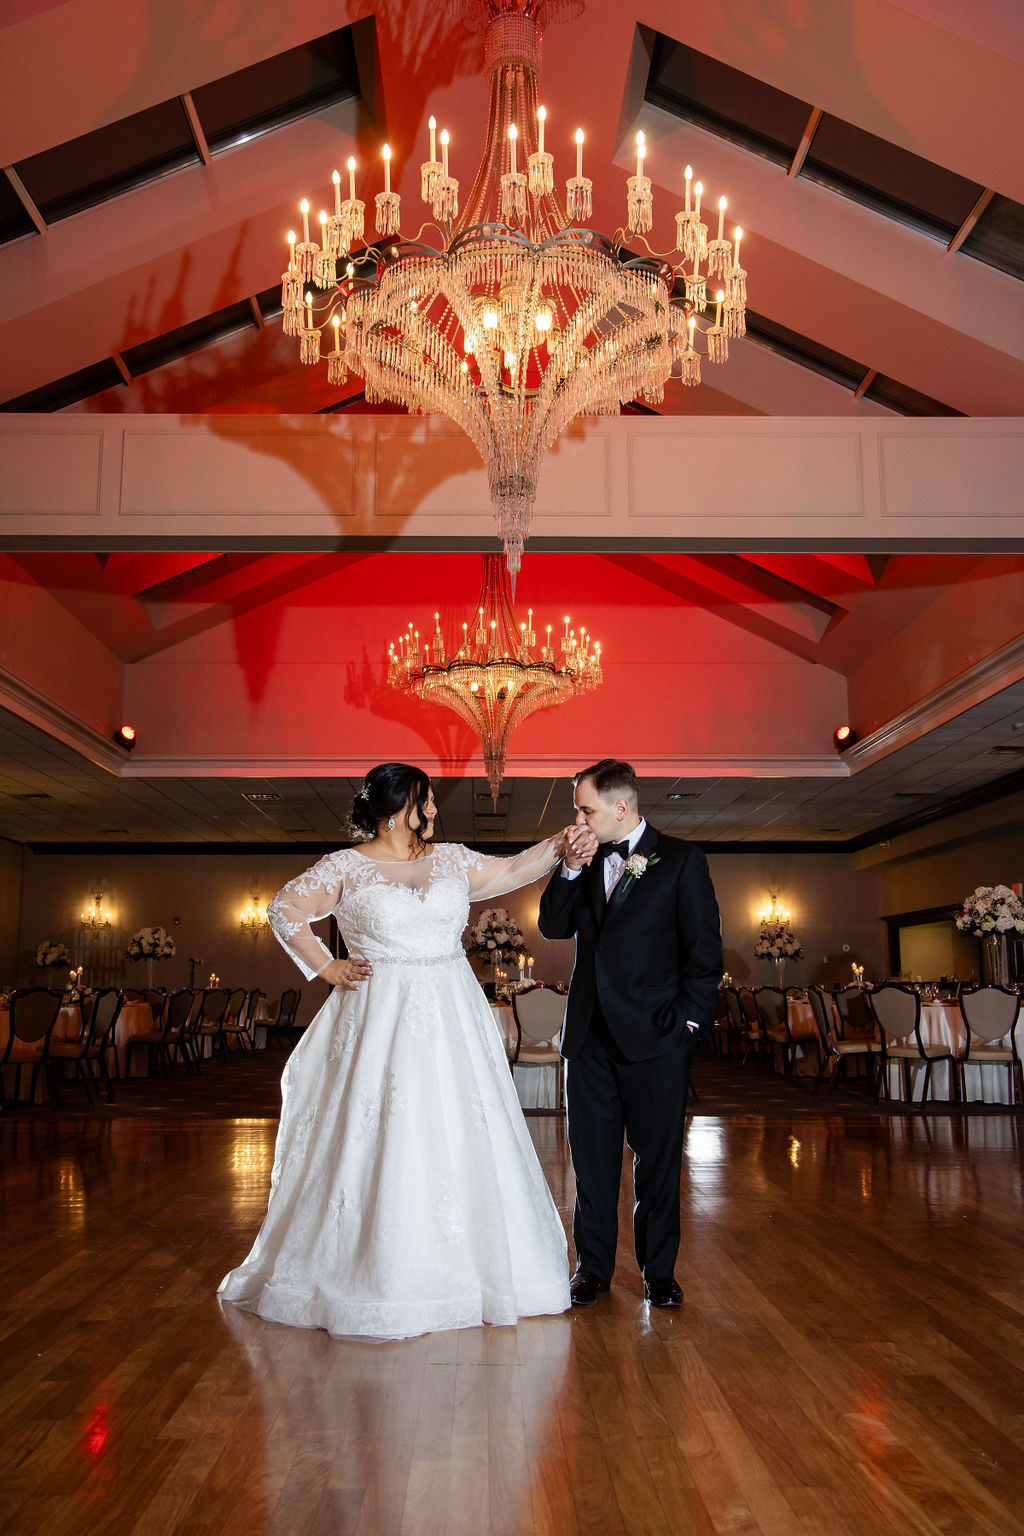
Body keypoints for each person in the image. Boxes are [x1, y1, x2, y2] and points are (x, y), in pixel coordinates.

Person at [219, 762, 589, 1340]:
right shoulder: (346, 867)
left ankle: (479, 1269)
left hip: (450, 1014)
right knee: (380, 1128)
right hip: (377, 1014)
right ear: (395, 807)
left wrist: (564, 841)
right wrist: (327, 964)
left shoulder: (453, 860)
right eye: (426, 801)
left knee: (457, 1126)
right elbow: (283, 908)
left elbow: (516, 868)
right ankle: (371, 1270)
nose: (435, 812)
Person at [538, 759, 722, 1309]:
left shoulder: (683, 861)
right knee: (591, 1165)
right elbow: (552, 924)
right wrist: (569, 868)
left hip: (658, 1040)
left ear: (621, 808)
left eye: (585, 808)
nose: (577, 818)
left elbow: (704, 954)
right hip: (591, 1040)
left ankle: (658, 1273)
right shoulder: (584, 858)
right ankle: (591, 1269)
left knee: (659, 1164)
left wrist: (688, 1024)